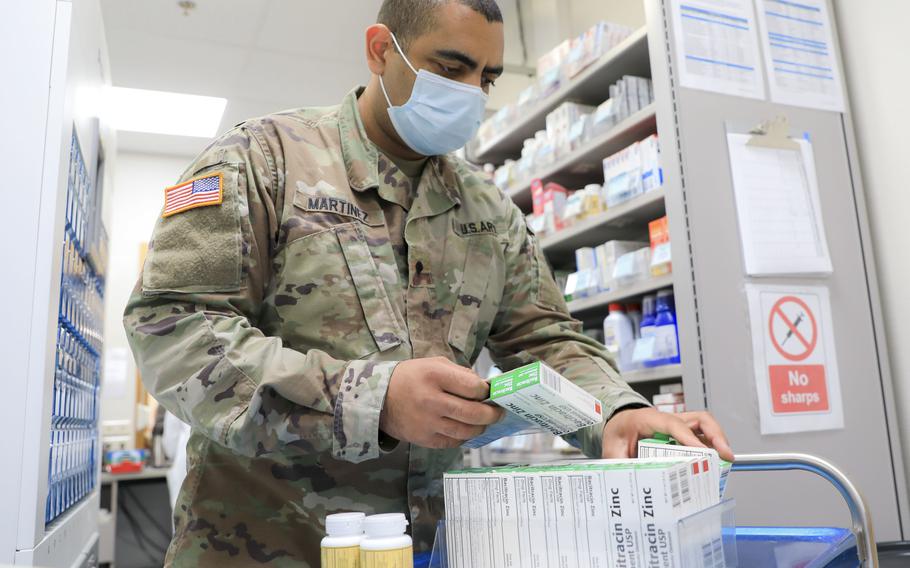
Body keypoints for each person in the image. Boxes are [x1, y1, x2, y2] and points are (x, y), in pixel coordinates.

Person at [123, 0, 733, 565]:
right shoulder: (263, 160)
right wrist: (371, 400)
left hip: (424, 545)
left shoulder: (487, 209)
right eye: (451, 68)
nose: (472, 94)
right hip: (259, 545)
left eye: (487, 78)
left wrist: (615, 411)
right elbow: (173, 327)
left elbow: (546, 337)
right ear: (381, 50)